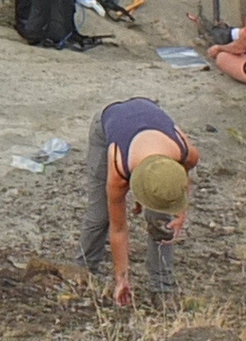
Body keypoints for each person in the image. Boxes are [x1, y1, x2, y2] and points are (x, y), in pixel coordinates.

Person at [82, 97, 201, 308]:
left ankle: (163, 287)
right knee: (99, 216)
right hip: (108, 124)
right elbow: (119, 228)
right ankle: (83, 271)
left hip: (149, 124)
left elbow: (181, 179)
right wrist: (122, 279)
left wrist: (180, 210)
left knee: (161, 220)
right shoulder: (118, 169)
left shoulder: (186, 152)